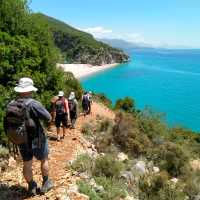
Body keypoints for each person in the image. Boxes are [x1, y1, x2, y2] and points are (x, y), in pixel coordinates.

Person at [4, 77, 53, 195]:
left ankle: (31, 186)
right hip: (36, 138)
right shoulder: (33, 104)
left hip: (21, 139)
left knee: (27, 163)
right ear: (29, 90)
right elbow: (48, 117)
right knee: (44, 159)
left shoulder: (10, 104)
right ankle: (46, 183)